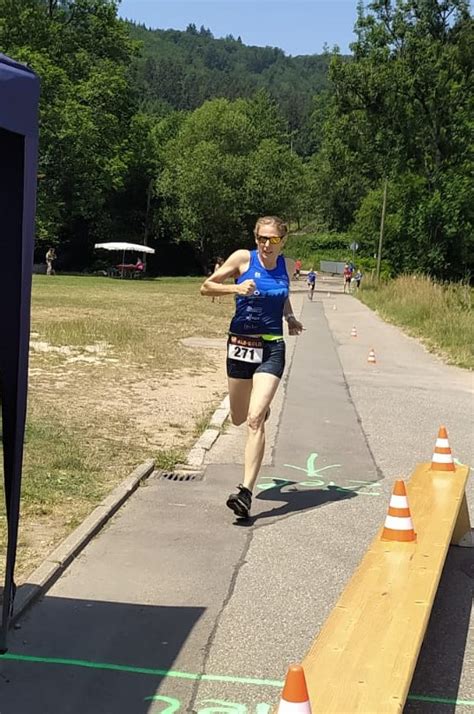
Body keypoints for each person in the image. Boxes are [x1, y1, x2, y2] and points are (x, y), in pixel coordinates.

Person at [200, 215, 304, 519]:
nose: (266, 244)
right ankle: (260, 406)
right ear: (256, 238)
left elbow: (281, 295)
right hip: (241, 345)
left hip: (272, 346)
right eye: (262, 238)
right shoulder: (243, 259)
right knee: (238, 418)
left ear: (282, 241)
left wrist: (290, 317)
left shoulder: (286, 265)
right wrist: (235, 289)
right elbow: (206, 287)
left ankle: (245, 492)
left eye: (272, 239)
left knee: (255, 420)